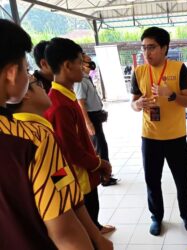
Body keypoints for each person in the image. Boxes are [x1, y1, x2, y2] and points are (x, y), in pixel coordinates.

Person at [0, 19, 112, 249]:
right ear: (11, 74)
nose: (42, 85)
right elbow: (65, 229)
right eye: (28, 72)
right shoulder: (34, 139)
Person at [44, 37, 115, 234]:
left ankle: (96, 229)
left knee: (92, 215)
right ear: (67, 66)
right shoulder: (59, 106)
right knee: (85, 219)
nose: (84, 67)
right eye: (79, 62)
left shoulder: (65, 97)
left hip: (82, 174)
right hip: (75, 178)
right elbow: (71, 152)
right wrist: (100, 164)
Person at [130, 27, 187, 236]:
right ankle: (156, 217)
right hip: (150, 137)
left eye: (152, 47)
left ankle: (186, 214)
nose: (147, 53)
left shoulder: (178, 68)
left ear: (164, 48)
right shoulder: (139, 72)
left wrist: (171, 94)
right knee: (152, 181)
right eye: (143, 48)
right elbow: (132, 104)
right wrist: (138, 103)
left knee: (182, 180)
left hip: (176, 137)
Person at [74, 53, 119, 187]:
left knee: (101, 146)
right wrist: (88, 123)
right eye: (88, 61)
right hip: (91, 117)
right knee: (100, 148)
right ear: (82, 64)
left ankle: (106, 175)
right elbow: (80, 103)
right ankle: (104, 177)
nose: (91, 62)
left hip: (95, 116)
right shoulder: (81, 81)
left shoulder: (87, 78)